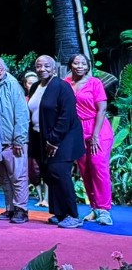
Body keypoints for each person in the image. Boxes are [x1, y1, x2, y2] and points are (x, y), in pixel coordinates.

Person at [28, 55, 85, 229]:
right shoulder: (36, 87)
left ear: (54, 68)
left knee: (59, 172)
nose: (42, 69)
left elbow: (66, 115)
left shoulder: (62, 86)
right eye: (39, 66)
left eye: (46, 66)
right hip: (42, 137)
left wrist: (54, 140)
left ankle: (73, 215)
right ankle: (59, 213)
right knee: (49, 173)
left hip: (63, 138)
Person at [64, 53, 114, 225]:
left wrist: (95, 136)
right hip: (77, 130)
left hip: (97, 129)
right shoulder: (65, 83)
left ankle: (104, 210)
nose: (79, 66)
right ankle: (95, 208)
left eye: (83, 63)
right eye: (76, 63)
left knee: (98, 167)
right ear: (70, 65)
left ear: (87, 66)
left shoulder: (95, 83)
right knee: (85, 171)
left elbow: (101, 110)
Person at [0, 56, 30, 224]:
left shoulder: (13, 85)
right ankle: (10, 208)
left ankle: (21, 209)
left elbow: (22, 114)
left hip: (11, 140)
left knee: (18, 176)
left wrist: (19, 139)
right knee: (4, 178)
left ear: (4, 68)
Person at [23, 70, 48, 208]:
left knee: (47, 166)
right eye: (29, 82)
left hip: (44, 134)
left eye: (34, 82)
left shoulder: (45, 96)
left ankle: (47, 199)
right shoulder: (25, 99)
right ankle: (39, 197)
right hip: (30, 135)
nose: (31, 84)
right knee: (33, 168)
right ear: (26, 85)